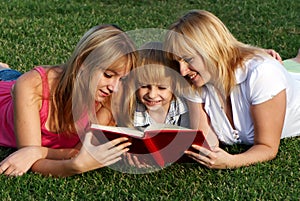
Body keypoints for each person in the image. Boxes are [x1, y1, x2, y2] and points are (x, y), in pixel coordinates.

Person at [164, 10, 300, 169]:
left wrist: (231, 161)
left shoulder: (263, 75)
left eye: (188, 59)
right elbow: (206, 143)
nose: (182, 71)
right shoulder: (195, 80)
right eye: (177, 62)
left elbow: (267, 147)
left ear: (210, 49)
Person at [0, 24, 137, 177]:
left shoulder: (110, 101)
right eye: (108, 75)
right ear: (82, 63)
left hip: (25, 86)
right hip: (8, 94)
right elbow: (30, 159)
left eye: (122, 79)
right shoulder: (32, 86)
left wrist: (37, 151)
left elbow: (78, 152)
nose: (115, 88)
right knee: (12, 78)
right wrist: (73, 167)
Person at [115, 41, 190, 130]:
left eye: (162, 88)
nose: (152, 95)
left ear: (175, 85)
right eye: (144, 86)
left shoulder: (185, 107)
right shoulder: (130, 109)